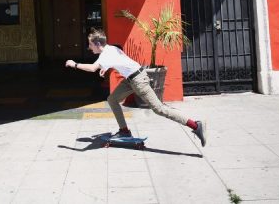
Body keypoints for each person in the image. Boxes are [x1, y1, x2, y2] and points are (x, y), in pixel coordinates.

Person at [65, 28, 206, 147]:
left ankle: (196, 125)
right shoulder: (111, 49)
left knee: (159, 109)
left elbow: (92, 68)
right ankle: (124, 130)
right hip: (130, 79)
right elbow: (120, 59)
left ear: (97, 44)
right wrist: (106, 68)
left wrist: (74, 64)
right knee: (112, 99)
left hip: (138, 80)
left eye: (90, 45)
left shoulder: (106, 54)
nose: (89, 48)